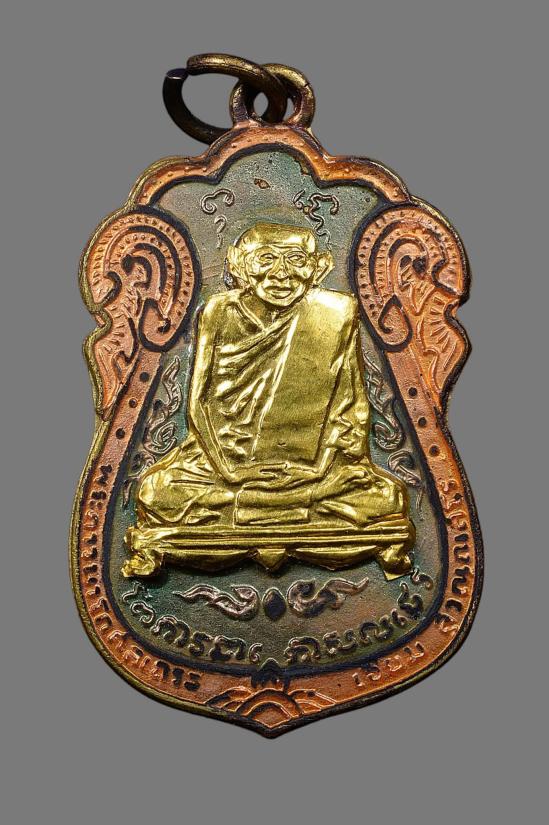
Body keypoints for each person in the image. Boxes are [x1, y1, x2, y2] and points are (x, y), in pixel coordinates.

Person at [123, 223, 414, 577]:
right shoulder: (219, 311)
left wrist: (320, 467)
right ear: (240, 266)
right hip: (222, 463)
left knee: (387, 497)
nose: (281, 274)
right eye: (266, 259)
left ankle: (254, 505)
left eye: (296, 260)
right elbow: (199, 404)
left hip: (315, 467)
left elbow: (350, 405)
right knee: (156, 492)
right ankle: (296, 504)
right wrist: (230, 472)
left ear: (318, 267)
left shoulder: (335, 313)